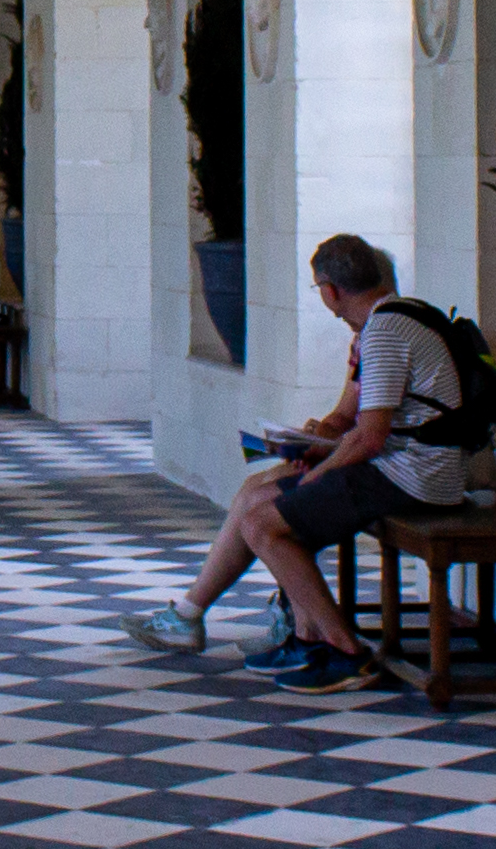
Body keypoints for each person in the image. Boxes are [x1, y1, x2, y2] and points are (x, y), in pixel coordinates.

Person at [123, 232, 466, 693]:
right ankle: (301, 637)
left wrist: (321, 472)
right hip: (406, 466)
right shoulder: (392, 322)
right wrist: (314, 444)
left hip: (413, 475)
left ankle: (347, 652)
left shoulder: (385, 332)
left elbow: (369, 437)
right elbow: (353, 420)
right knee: (260, 496)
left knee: (266, 523)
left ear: (330, 290)